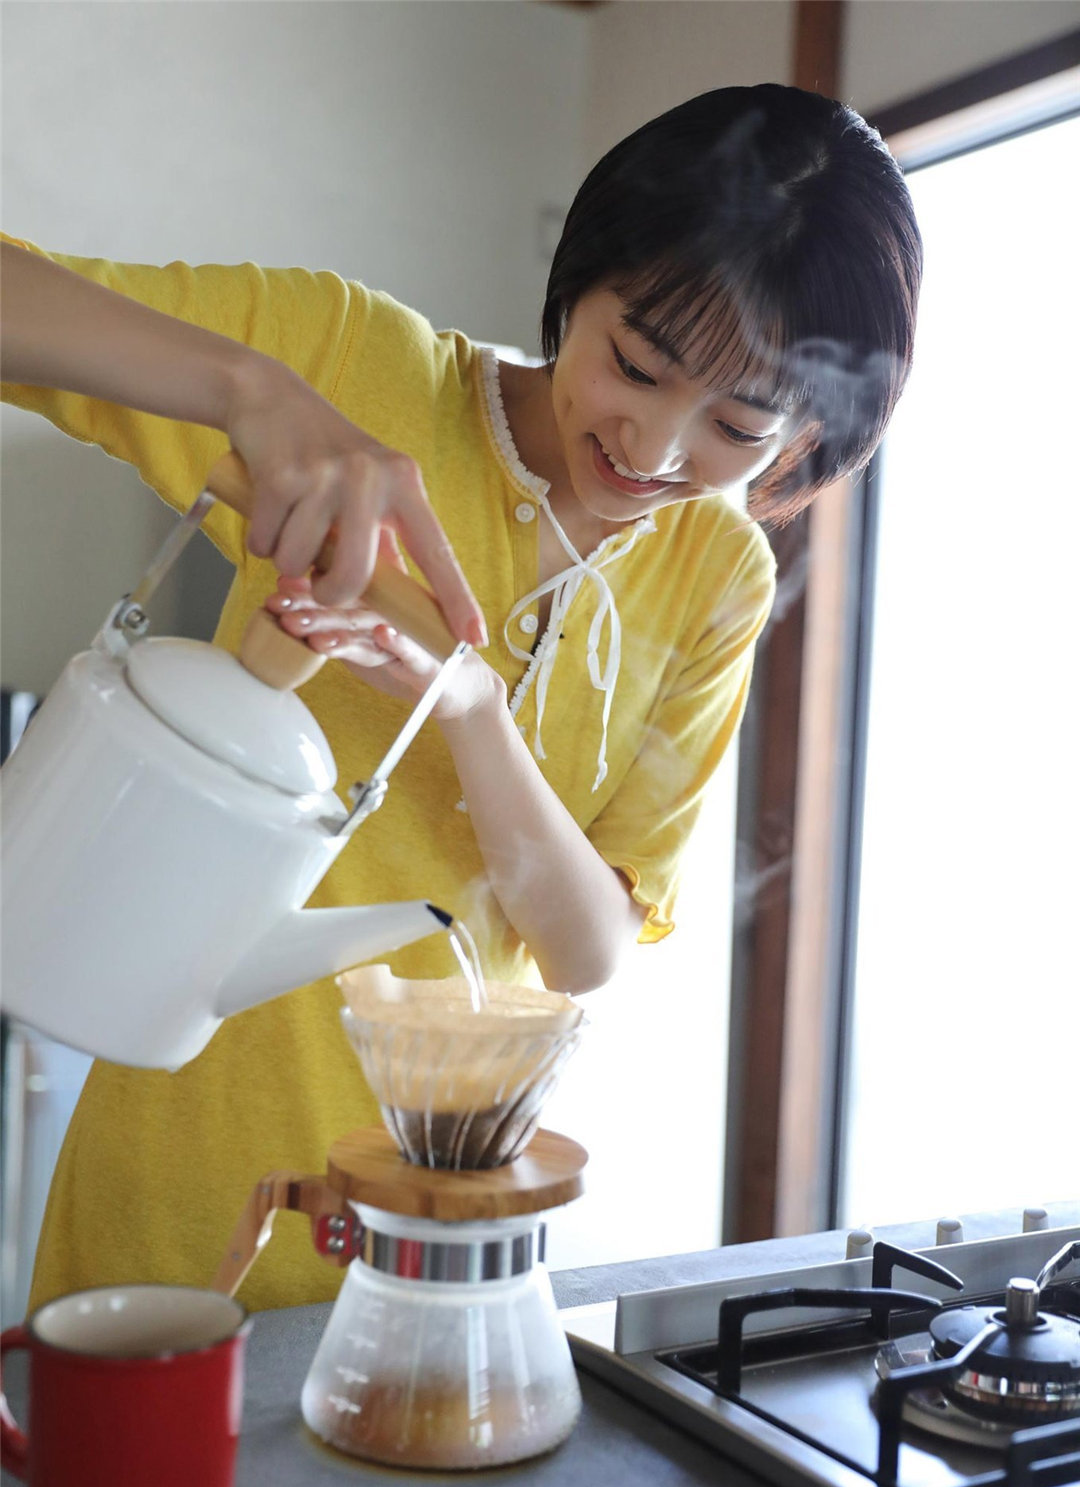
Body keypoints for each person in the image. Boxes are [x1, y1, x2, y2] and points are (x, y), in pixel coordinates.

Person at [0, 83, 922, 1311]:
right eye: (634, 366)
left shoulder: (717, 573)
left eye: (738, 427)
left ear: (806, 432)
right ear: (579, 276)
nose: (651, 451)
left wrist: (474, 711)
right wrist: (250, 392)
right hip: (184, 1155)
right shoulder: (355, 365)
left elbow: (588, 945)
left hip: (451, 1219)